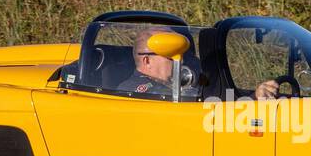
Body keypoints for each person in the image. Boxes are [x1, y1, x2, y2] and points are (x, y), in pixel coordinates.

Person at [119, 27, 278, 99]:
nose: (180, 61)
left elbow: (215, 99)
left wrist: (253, 97)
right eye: (171, 56)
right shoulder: (133, 91)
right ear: (147, 61)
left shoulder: (185, 82)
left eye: (181, 55)